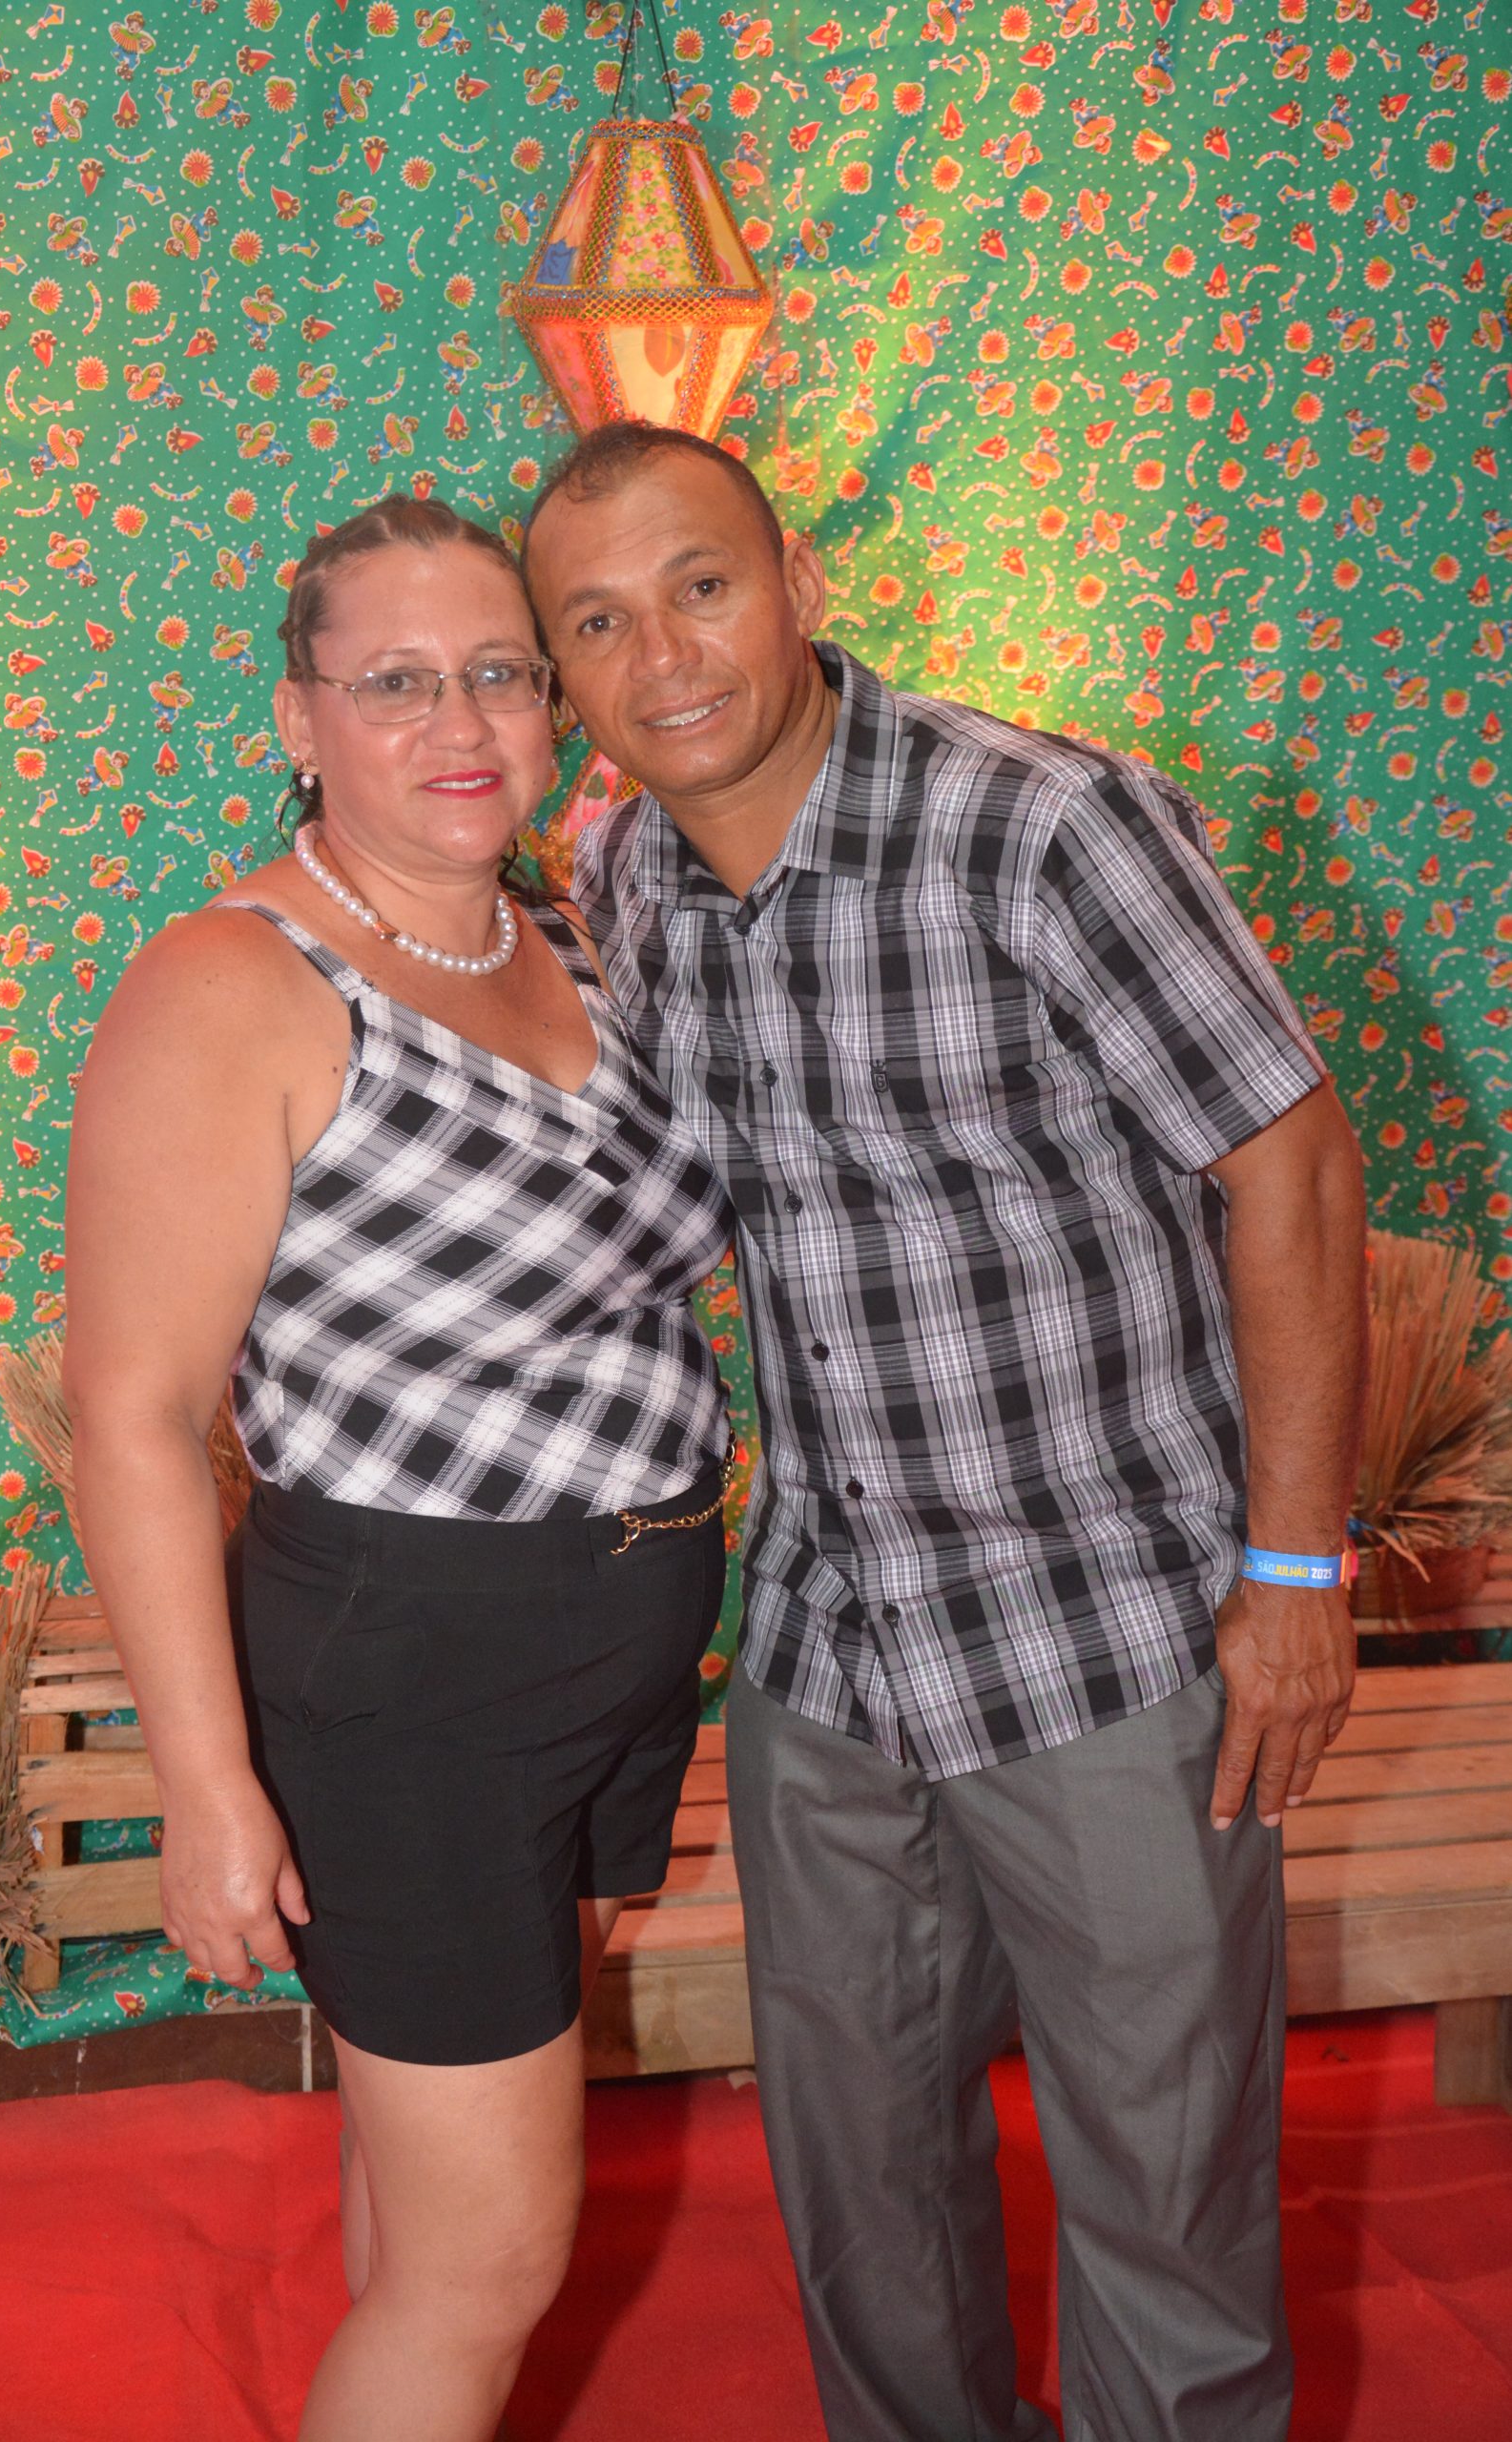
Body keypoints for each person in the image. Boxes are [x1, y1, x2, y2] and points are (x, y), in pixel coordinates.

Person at [523, 423, 1367, 2442]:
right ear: (562, 678)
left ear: (797, 583)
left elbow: (1291, 1163)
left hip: (1112, 1643)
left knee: (1166, 2207)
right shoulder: (623, 875)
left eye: (701, 585)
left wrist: (1293, 1569)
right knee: (862, 2207)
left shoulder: (1042, 827)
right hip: (825, 1651)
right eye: (598, 624)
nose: (665, 656)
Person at [63, 494, 734, 2442]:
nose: (460, 722)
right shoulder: (237, 980)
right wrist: (207, 1788)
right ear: (300, 716)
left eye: (500, 673)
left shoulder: (567, 928)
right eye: (394, 682)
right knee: (487, 2263)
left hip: (611, 1652)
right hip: (413, 1678)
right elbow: (131, 1413)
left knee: (424, 2194)